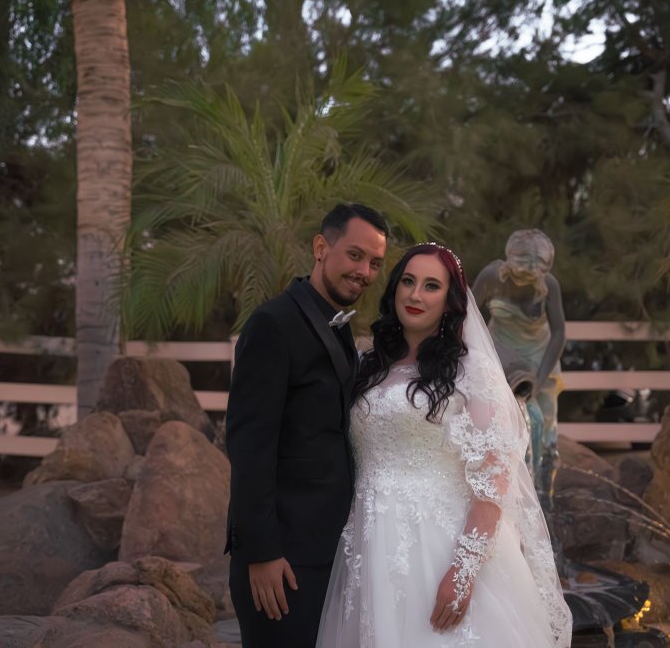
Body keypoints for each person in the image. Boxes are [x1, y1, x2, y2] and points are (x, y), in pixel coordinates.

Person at [316, 243, 572, 647]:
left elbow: (493, 481)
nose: (416, 295)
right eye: (408, 281)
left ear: (450, 300)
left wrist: (463, 571)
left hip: (440, 547)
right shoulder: (367, 366)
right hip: (368, 546)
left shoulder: (472, 371)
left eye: (431, 286)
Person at [225, 203, 389, 648]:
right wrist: (261, 552)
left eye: (375, 263)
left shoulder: (338, 326)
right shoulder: (272, 325)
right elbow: (249, 446)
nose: (365, 272)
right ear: (321, 247)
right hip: (282, 560)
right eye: (355, 255)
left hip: (329, 550)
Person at [472, 229, 565, 485]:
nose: (525, 279)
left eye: (532, 275)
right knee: (499, 418)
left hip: (539, 356)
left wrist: (540, 380)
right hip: (499, 352)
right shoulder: (491, 277)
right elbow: (468, 318)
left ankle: (544, 490)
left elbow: (559, 333)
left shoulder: (549, 286)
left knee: (544, 424)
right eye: (519, 272)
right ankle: (503, 482)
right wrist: (480, 356)